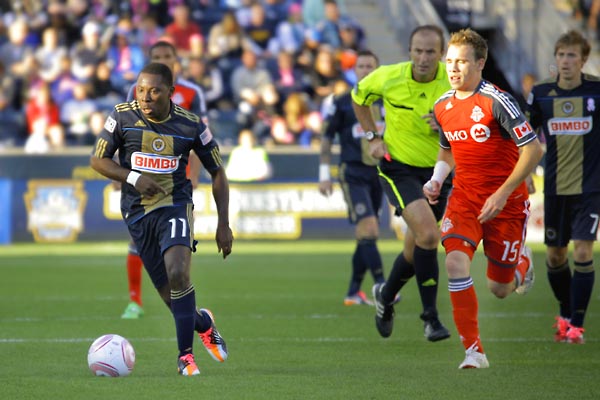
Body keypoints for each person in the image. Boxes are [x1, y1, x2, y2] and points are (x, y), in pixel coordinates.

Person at [90, 62, 233, 376]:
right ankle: (203, 323)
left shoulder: (191, 125)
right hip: (137, 213)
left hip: (175, 205)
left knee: (179, 273)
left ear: (171, 92)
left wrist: (223, 224)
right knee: (172, 298)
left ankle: (185, 357)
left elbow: (218, 172)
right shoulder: (122, 116)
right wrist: (133, 178)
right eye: (141, 90)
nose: (145, 97)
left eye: (154, 91)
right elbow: (97, 160)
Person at [424, 28, 543, 369]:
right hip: (464, 199)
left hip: (505, 204)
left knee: (500, 289)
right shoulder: (442, 105)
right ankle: (474, 351)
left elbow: (533, 149)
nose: (453, 68)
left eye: (461, 62)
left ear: (480, 63)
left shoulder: (497, 101)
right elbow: (447, 151)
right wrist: (436, 180)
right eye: (449, 61)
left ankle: (521, 263)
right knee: (454, 263)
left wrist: (503, 192)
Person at [351, 25, 452, 342]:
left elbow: (475, 120)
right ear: (409, 51)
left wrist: (446, 124)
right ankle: (430, 318)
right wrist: (373, 136)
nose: (423, 58)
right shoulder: (388, 77)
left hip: (439, 171)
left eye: (430, 52)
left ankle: (385, 295)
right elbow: (358, 97)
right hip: (398, 168)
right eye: (417, 51)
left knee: (415, 248)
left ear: (442, 54)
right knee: (429, 235)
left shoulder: (454, 84)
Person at [120, 40, 208, 319]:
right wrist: (123, 174)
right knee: (136, 241)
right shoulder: (137, 90)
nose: (163, 60)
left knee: (179, 246)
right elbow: (125, 133)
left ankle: (184, 304)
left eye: (167, 55)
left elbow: (200, 137)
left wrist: (194, 175)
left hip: (176, 182)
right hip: (144, 177)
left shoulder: (192, 92)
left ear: (175, 59)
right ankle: (135, 301)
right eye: (157, 56)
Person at [526, 29, 600, 344]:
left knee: (582, 250)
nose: (566, 61)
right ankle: (567, 314)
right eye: (561, 55)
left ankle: (576, 326)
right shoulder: (542, 93)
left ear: (583, 60)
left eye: (572, 55)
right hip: (555, 188)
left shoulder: (596, 91)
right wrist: (525, 173)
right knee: (555, 256)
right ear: (555, 58)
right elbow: (526, 135)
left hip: (590, 188)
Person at [319, 49, 384, 306]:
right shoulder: (342, 101)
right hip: (353, 171)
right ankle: (383, 286)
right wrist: (324, 174)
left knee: (366, 235)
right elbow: (326, 137)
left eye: (370, 66)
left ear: (378, 70)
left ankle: (353, 291)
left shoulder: (389, 100)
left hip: (379, 172)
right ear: (354, 71)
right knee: (369, 228)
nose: (365, 70)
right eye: (361, 66)